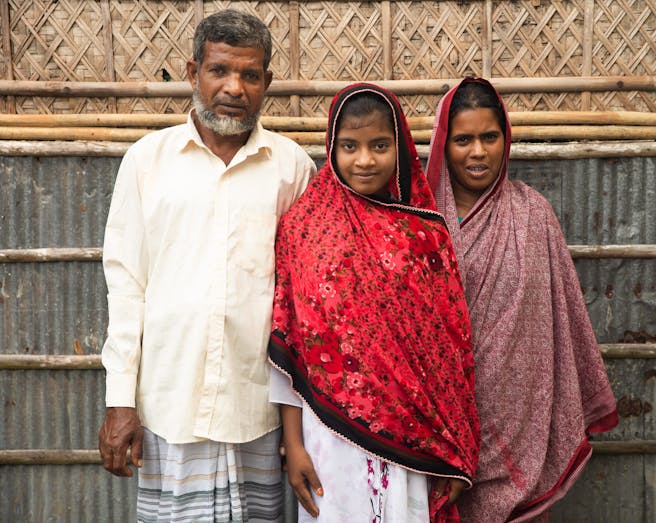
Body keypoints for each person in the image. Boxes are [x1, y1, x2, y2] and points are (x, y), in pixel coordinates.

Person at [97, 9, 316, 522]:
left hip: (257, 410)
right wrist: (119, 400)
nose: (234, 88)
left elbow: (306, 302)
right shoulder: (148, 161)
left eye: (250, 75)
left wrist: (299, 426)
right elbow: (126, 285)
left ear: (268, 83)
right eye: (220, 70)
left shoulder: (293, 170)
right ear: (193, 73)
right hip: (170, 404)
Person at [267, 83, 480, 522]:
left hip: (412, 441)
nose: (364, 160)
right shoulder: (304, 228)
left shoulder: (425, 236)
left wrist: (456, 447)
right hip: (328, 439)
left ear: (399, 148)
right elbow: (289, 341)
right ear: (331, 147)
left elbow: (450, 353)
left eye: (379, 145)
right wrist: (293, 444)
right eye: (350, 146)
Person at [425, 77, 619, 522]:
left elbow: (561, 317)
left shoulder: (534, 214)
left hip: (518, 429)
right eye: (463, 140)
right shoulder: (421, 221)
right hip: (441, 431)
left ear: (505, 139)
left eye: (489, 137)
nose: (478, 152)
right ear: (443, 143)